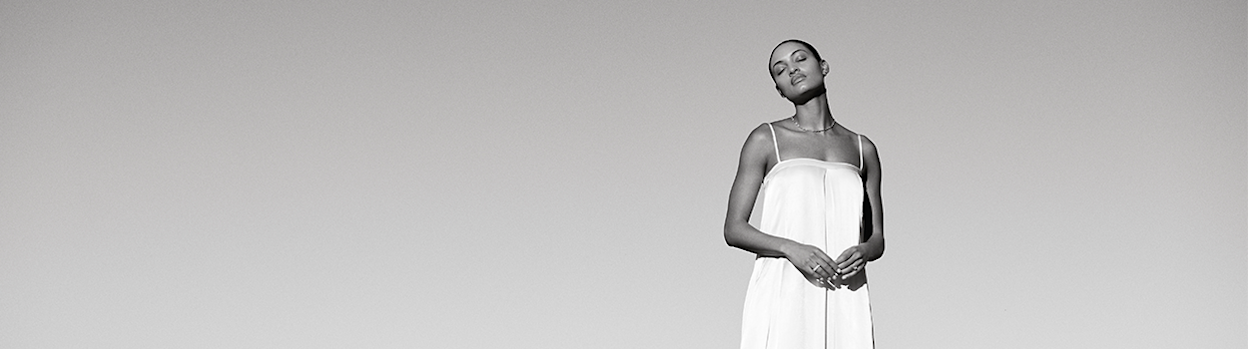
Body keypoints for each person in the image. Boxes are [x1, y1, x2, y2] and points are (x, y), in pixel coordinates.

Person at [724, 39, 885, 349]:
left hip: (845, 291)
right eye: (780, 70)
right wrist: (791, 248)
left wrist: (864, 252)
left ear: (823, 66)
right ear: (780, 90)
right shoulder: (765, 138)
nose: (792, 69)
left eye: (800, 59)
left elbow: (876, 238)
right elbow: (733, 228)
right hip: (785, 284)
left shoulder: (863, 149)